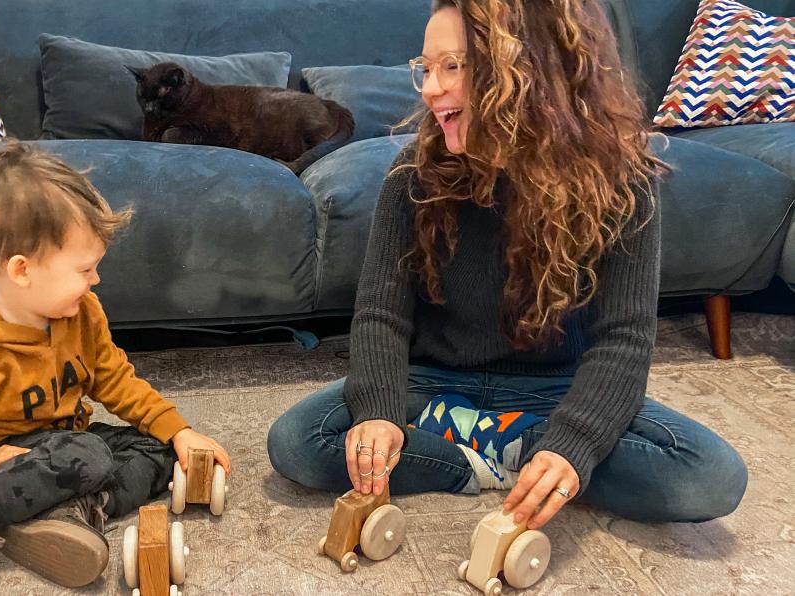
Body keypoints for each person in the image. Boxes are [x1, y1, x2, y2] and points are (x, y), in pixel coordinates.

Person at [268, 0, 746, 529]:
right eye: (424, 69)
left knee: (710, 476)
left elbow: (624, 339)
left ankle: (527, 451)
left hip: (554, 390)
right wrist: (380, 413)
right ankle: (472, 465)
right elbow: (382, 313)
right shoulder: (412, 176)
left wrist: (572, 446)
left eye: (453, 66)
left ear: (529, 72)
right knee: (299, 442)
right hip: (433, 385)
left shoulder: (623, 185)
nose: (429, 89)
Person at [0, 142, 232, 594]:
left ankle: (60, 513)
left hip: (65, 444)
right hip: (6, 458)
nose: (95, 281)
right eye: (85, 269)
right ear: (22, 270)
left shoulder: (83, 312)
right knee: (88, 456)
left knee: (156, 451)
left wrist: (177, 431)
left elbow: (114, 378)